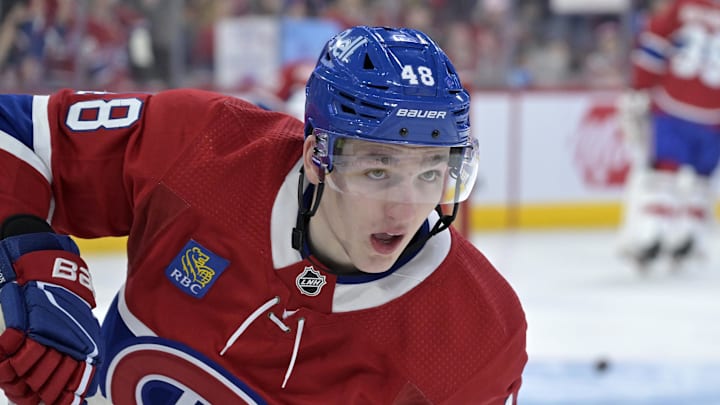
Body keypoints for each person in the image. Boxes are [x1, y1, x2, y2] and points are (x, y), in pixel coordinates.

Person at [0, 26, 527, 404]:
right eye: (377, 170)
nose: (407, 206)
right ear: (316, 159)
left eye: (431, 171)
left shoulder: (478, 335)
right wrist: (18, 246)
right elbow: (14, 133)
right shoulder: (203, 148)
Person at [617, 0, 720, 270]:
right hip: (714, 113)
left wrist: (639, 87)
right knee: (701, 179)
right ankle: (690, 236)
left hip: (674, 103)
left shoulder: (682, 6)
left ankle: (653, 232)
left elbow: (654, 46)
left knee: (664, 172)